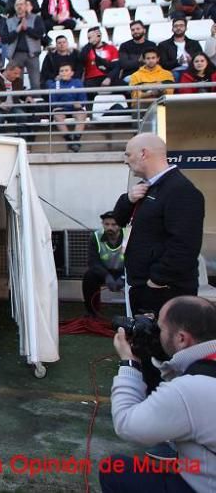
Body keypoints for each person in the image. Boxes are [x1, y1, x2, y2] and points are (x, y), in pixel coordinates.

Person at [112, 133, 205, 389]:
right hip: (143, 288)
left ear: (144, 153)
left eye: (128, 154)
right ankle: (148, 394)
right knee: (145, 346)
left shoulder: (182, 191)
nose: (126, 161)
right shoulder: (149, 188)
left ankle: (162, 404)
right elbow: (117, 219)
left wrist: (156, 280)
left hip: (163, 292)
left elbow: (184, 246)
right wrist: (128, 199)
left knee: (162, 352)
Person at [100, 296, 216, 493]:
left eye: (159, 327)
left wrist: (129, 363)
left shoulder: (190, 389)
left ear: (181, 338)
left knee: (113, 468)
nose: (155, 331)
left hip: (204, 485)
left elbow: (127, 424)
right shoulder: (204, 370)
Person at [82, 211, 125, 317]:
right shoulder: (96, 237)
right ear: (102, 224)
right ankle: (92, 312)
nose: (110, 227)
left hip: (125, 272)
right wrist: (106, 276)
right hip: (105, 272)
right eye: (106, 224)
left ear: (120, 225)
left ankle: (136, 312)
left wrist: (124, 277)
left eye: (114, 224)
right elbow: (93, 262)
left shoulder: (129, 236)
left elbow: (136, 261)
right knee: (89, 276)